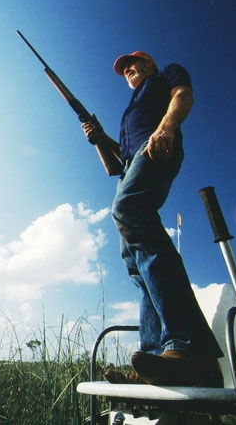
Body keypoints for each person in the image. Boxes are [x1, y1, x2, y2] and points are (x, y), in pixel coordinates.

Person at [82, 51, 224, 387]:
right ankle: (158, 358)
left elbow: (183, 96)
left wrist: (166, 128)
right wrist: (99, 140)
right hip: (133, 163)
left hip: (155, 146)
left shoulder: (165, 76)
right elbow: (115, 167)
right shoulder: (129, 110)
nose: (128, 70)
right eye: (124, 70)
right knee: (134, 256)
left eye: (134, 64)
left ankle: (191, 347)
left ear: (149, 64)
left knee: (130, 211)